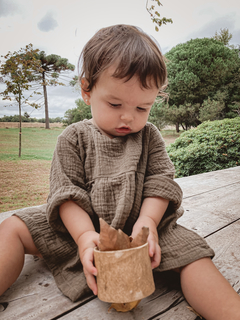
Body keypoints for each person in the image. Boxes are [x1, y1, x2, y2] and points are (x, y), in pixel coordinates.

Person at [0, 24, 240, 320]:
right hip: (80, 230)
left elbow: (160, 182)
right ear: (87, 90)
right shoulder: (73, 138)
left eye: (142, 107)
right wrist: (85, 235)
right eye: (115, 104)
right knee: (13, 228)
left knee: (194, 255)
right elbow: (67, 194)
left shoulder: (149, 137)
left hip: (142, 228)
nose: (128, 116)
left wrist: (148, 222)